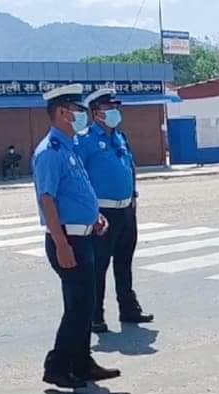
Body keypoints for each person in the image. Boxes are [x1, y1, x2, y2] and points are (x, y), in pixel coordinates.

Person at [32, 83, 120, 390]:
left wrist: (94, 216)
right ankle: (57, 366)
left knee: (83, 304)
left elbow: (77, 191)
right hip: (67, 240)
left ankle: (82, 363)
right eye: (78, 110)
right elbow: (47, 200)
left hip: (83, 236)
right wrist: (61, 244)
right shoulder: (50, 151)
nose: (83, 115)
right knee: (78, 307)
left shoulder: (69, 147)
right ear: (61, 113)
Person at [77, 88, 154, 334]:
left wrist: (133, 197)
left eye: (115, 108)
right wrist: (90, 212)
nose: (114, 112)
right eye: (109, 108)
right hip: (102, 213)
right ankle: (95, 316)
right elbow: (80, 178)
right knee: (98, 266)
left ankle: (128, 309)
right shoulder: (85, 140)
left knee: (124, 262)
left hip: (126, 210)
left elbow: (130, 167)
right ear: (95, 113)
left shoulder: (120, 137)